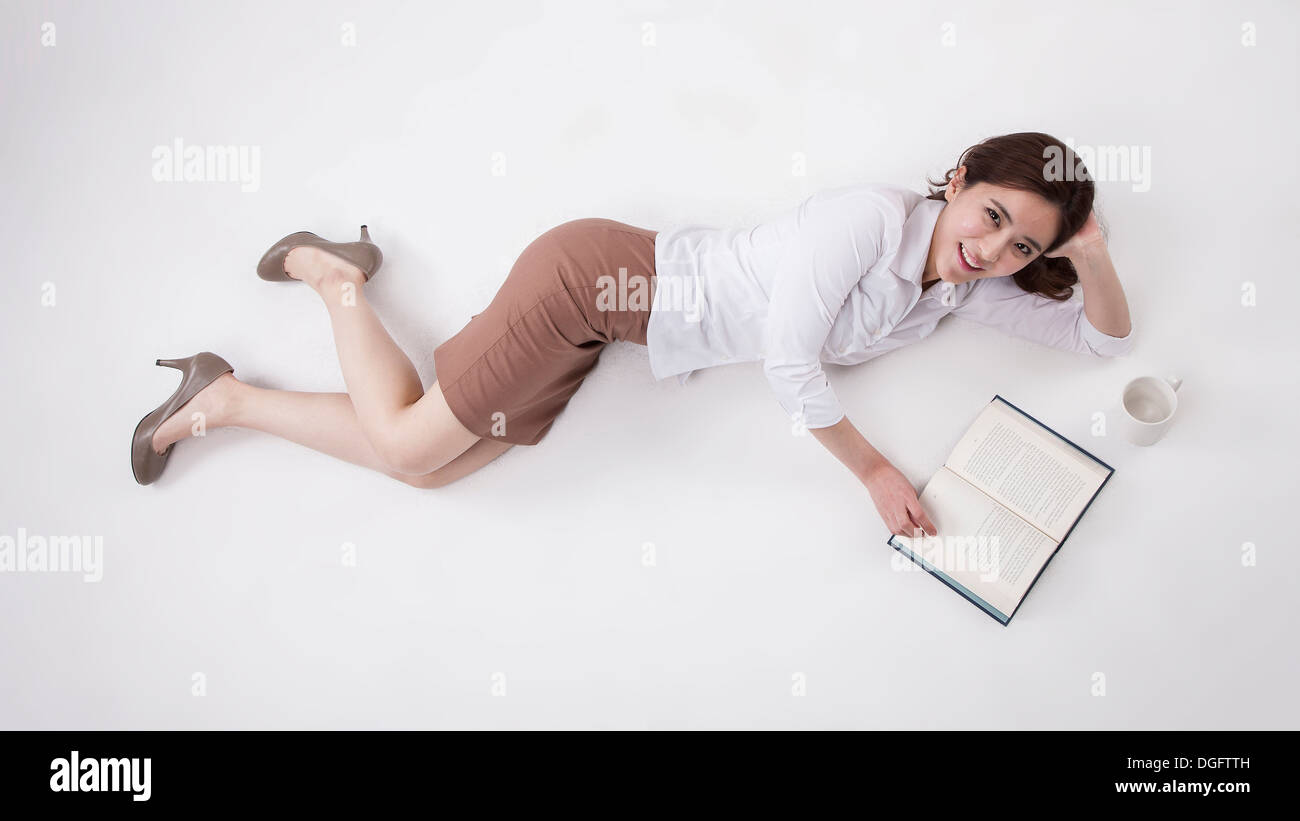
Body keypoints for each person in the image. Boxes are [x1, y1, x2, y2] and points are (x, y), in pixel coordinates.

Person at [131, 131, 1133, 540]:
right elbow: (789, 361)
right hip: (588, 283)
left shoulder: (956, 293)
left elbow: (1101, 345)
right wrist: (872, 473)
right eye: (991, 215)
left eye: (1019, 248)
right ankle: (329, 283)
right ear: (957, 181)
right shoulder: (868, 220)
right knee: (404, 448)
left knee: (434, 470)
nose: (992, 248)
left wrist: (1085, 255)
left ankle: (232, 387)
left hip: (607, 328)